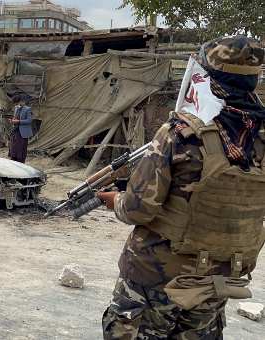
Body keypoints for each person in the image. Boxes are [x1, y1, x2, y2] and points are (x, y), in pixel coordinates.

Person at [98, 36, 265, 339]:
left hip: (157, 278)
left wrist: (116, 200)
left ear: (208, 79)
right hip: (217, 281)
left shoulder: (179, 134)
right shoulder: (258, 141)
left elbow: (138, 209)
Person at [8, 95, 33, 163]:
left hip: (23, 133)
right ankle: (14, 162)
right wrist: (12, 120)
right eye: (15, 104)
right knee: (14, 148)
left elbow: (29, 121)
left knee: (21, 149)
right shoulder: (16, 108)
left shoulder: (27, 109)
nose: (16, 105)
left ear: (21, 101)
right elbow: (15, 117)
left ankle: (21, 163)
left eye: (17, 103)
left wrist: (19, 121)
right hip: (15, 131)